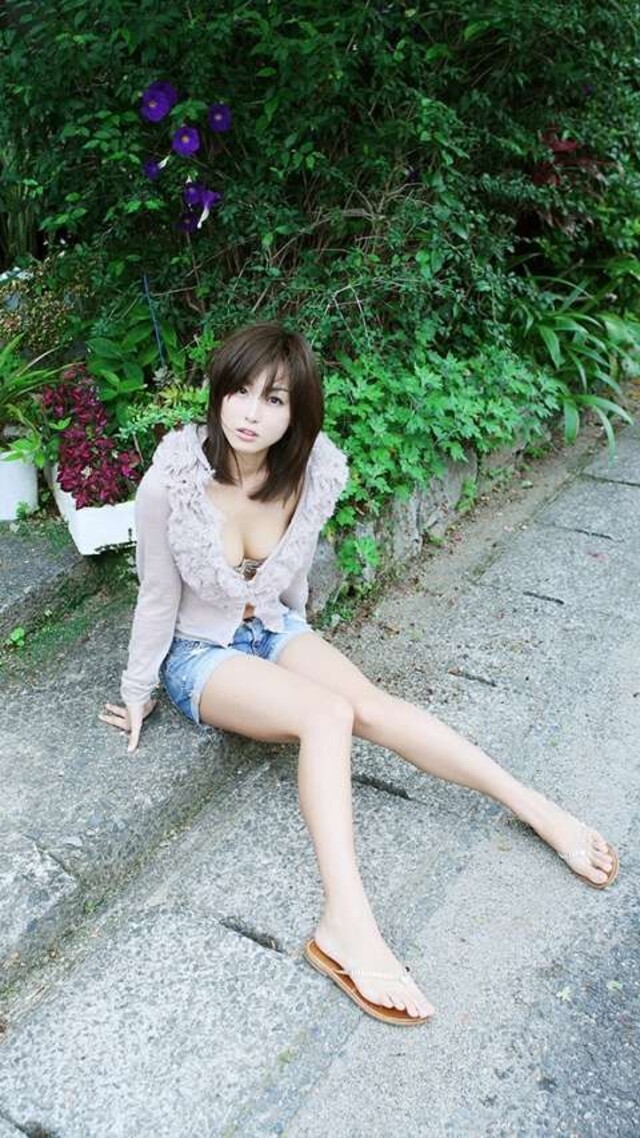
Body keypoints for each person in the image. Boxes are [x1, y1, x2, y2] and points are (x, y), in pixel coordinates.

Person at [99, 321, 619, 1027]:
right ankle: (346, 924)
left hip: (272, 628)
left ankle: (535, 809)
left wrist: (297, 646)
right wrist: (137, 691)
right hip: (199, 653)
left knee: (370, 705)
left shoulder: (309, 473)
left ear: (297, 413)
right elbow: (157, 596)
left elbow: (292, 580)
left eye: (274, 400)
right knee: (328, 714)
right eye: (240, 392)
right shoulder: (172, 482)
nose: (251, 413)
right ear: (217, 392)